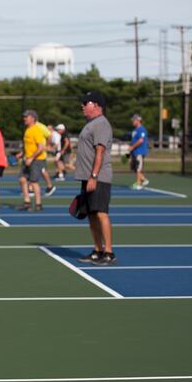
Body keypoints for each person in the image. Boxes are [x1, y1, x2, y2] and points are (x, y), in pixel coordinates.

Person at [76, 91, 116, 266]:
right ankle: (97, 250)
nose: (83, 106)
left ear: (97, 105)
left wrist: (94, 176)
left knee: (101, 213)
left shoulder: (101, 123)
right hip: (88, 177)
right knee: (91, 214)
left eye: (86, 103)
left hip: (98, 177)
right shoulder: (90, 124)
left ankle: (108, 252)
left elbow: (99, 151)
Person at [15, 110, 47, 212]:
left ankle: (38, 204)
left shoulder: (36, 130)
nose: (24, 118)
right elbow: (28, 145)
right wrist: (22, 154)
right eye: (24, 117)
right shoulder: (28, 130)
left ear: (32, 118)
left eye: (26, 117)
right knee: (22, 179)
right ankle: (27, 202)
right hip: (27, 159)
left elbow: (41, 147)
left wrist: (31, 158)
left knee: (34, 182)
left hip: (36, 160)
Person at [128, 114, 150, 189]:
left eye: (134, 120)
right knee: (133, 167)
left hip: (140, 152)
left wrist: (132, 147)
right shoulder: (135, 130)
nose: (132, 122)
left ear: (138, 120)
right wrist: (130, 149)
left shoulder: (142, 129)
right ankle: (144, 180)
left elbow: (141, 140)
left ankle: (138, 184)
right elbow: (134, 140)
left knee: (138, 167)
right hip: (134, 152)